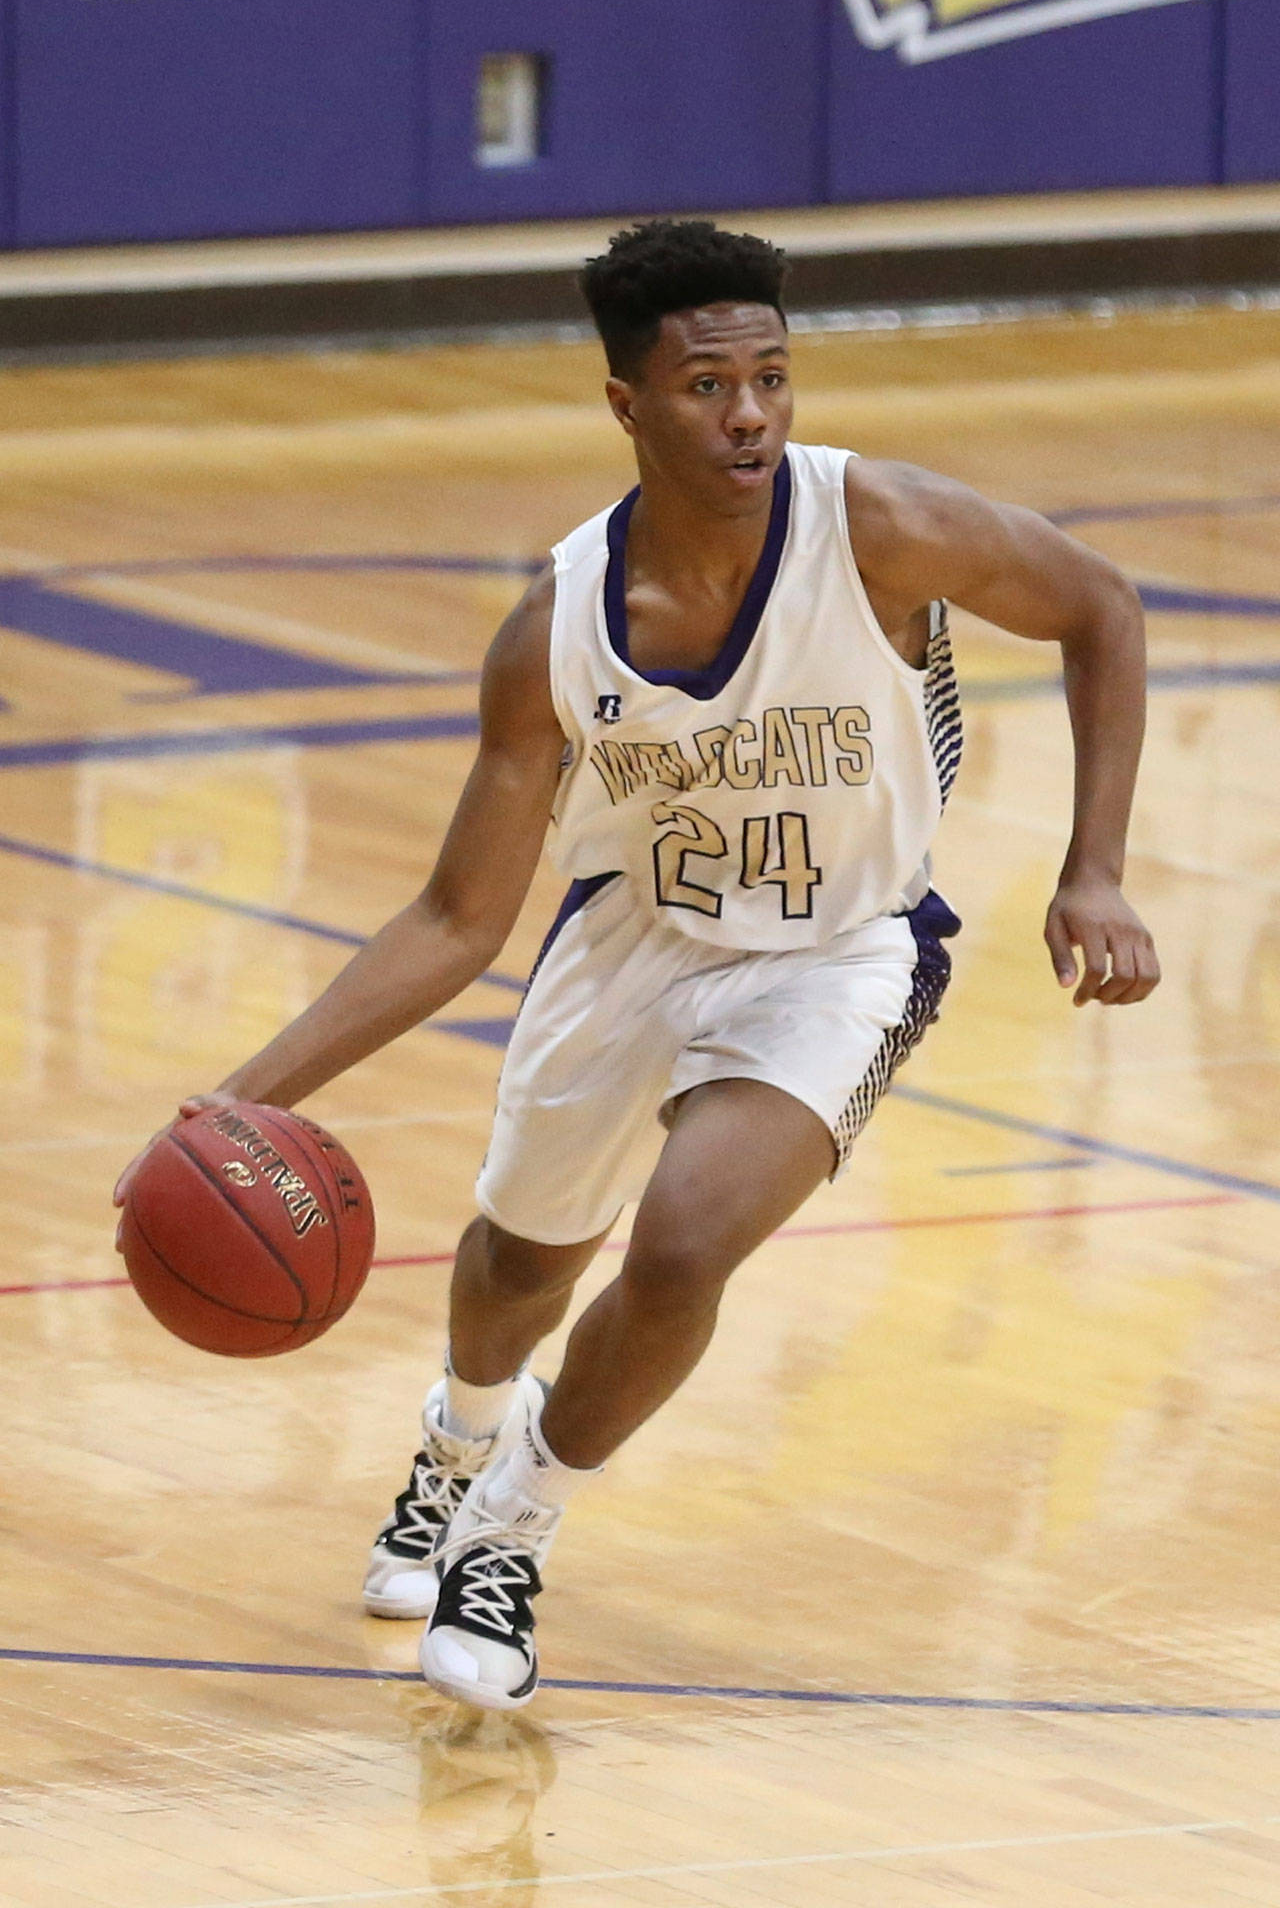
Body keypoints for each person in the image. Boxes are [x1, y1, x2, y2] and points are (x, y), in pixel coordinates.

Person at [114, 219, 1160, 1713]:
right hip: (633, 941)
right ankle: (457, 1437)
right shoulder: (556, 629)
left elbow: (1102, 609)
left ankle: (513, 1528)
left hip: (842, 950)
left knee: (681, 1246)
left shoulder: (880, 529)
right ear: (628, 404)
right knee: (515, 1269)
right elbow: (454, 921)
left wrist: (1095, 864)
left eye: (772, 378)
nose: (748, 413)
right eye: (706, 385)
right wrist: (228, 1100)